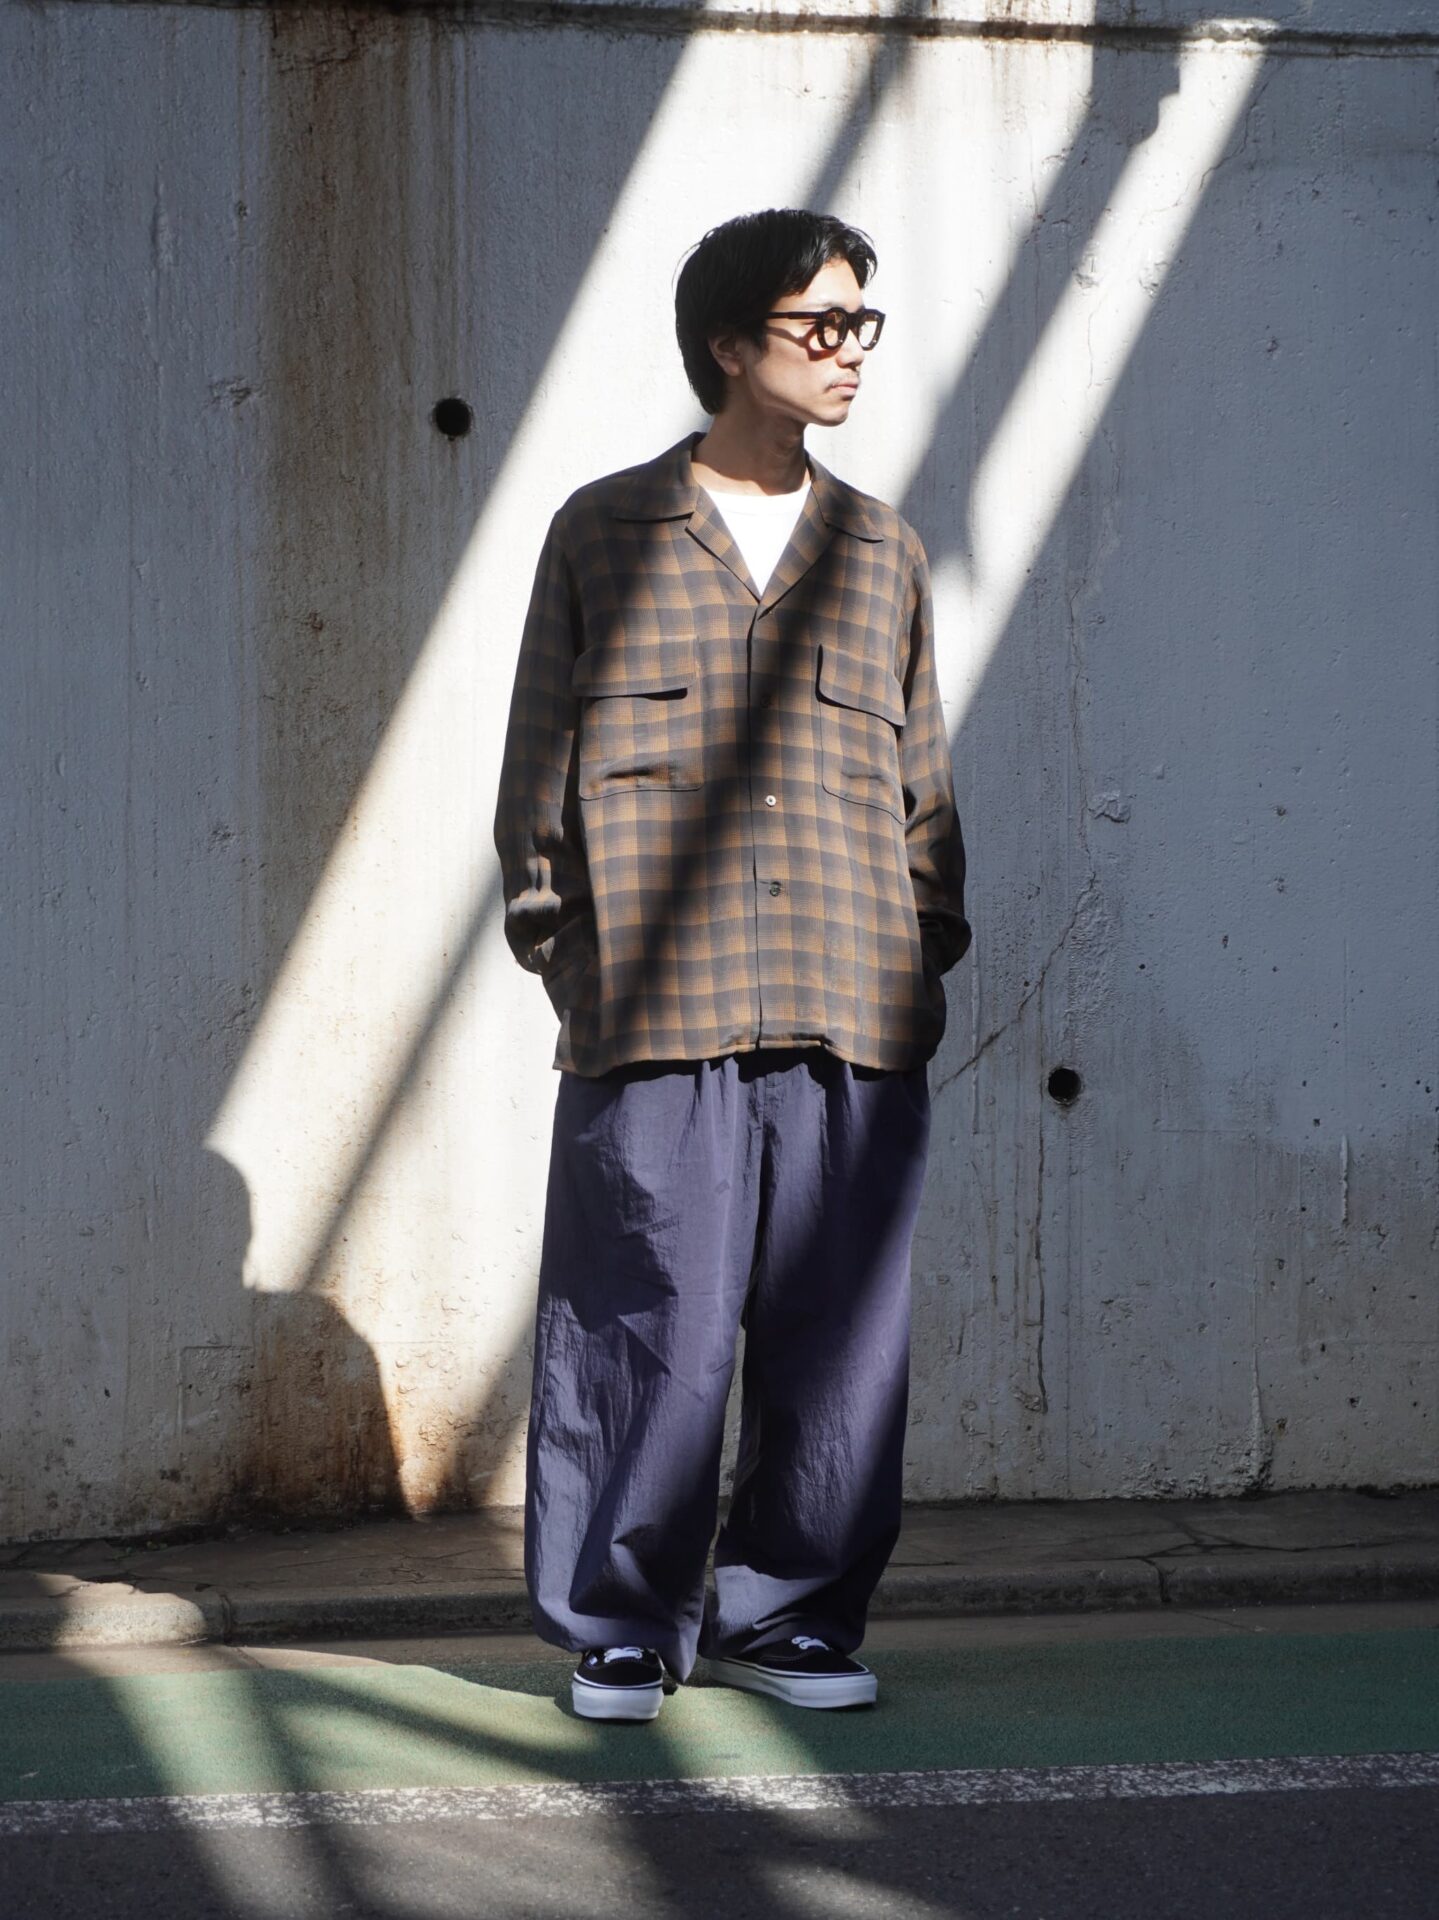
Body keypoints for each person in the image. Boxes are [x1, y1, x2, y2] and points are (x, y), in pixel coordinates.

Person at [494, 208, 970, 1723]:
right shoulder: (606, 533)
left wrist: (919, 963)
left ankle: (793, 1614)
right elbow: (539, 776)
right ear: (727, 343)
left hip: (850, 1000)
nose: (849, 351)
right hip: (656, 1004)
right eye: (819, 323)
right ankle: (623, 1622)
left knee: (841, 1335)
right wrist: (574, 962)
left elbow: (925, 791)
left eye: (859, 323)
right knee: (645, 1317)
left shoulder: (882, 550)